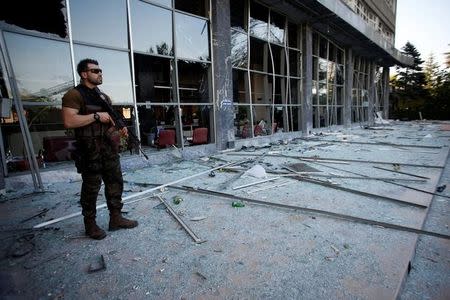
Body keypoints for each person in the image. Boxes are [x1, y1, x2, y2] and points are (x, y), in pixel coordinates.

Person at [62, 58, 138, 240]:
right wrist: (96, 116)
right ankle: (90, 225)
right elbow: (69, 121)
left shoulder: (102, 96)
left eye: (100, 70)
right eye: (95, 71)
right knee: (91, 188)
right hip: (89, 151)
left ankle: (116, 218)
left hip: (108, 148)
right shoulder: (74, 95)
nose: (100, 73)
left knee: (115, 182)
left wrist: (119, 129)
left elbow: (109, 119)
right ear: (84, 74)